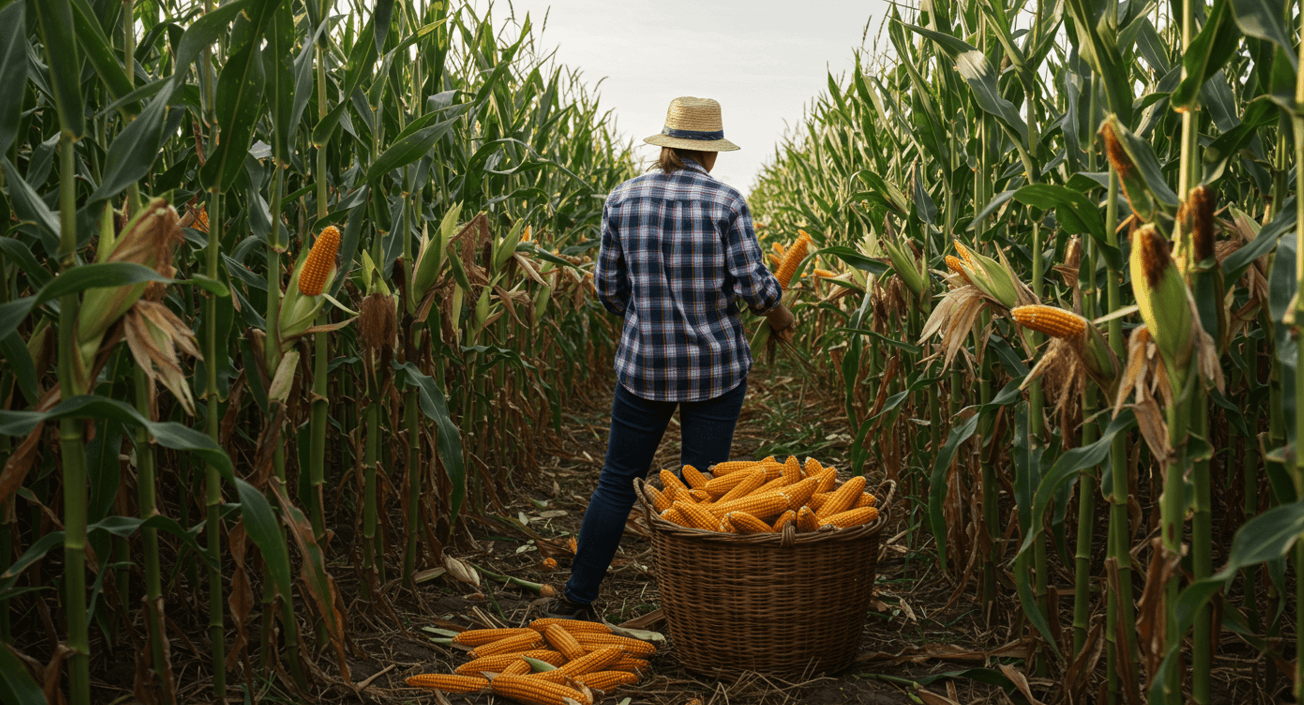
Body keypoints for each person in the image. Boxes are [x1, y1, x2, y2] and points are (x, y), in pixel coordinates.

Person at [547, 96, 796, 621]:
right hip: (715, 368)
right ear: (708, 153)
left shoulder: (622, 199)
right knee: (701, 487)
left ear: (666, 144)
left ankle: (577, 599)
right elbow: (757, 289)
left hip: (643, 367)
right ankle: (696, 613)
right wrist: (781, 318)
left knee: (617, 480)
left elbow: (608, 289)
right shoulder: (726, 202)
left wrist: (648, 323)